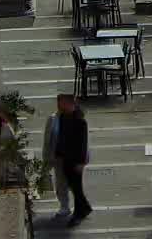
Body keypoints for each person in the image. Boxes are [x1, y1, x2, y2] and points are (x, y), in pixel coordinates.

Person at [55, 93, 92, 223]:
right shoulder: (63, 117)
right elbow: (61, 137)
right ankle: (85, 208)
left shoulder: (80, 121)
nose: (59, 105)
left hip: (76, 160)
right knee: (73, 186)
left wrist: (81, 162)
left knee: (76, 187)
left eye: (62, 103)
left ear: (70, 104)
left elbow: (83, 144)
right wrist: (58, 153)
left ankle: (79, 212)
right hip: (65, 158)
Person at [43, 92, 72, 221]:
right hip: (57, 157)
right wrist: (46, 158)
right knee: (60, 183)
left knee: (69, 182)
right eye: (59, 102)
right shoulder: (52, 119)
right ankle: (64, 205)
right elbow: (47, 139)